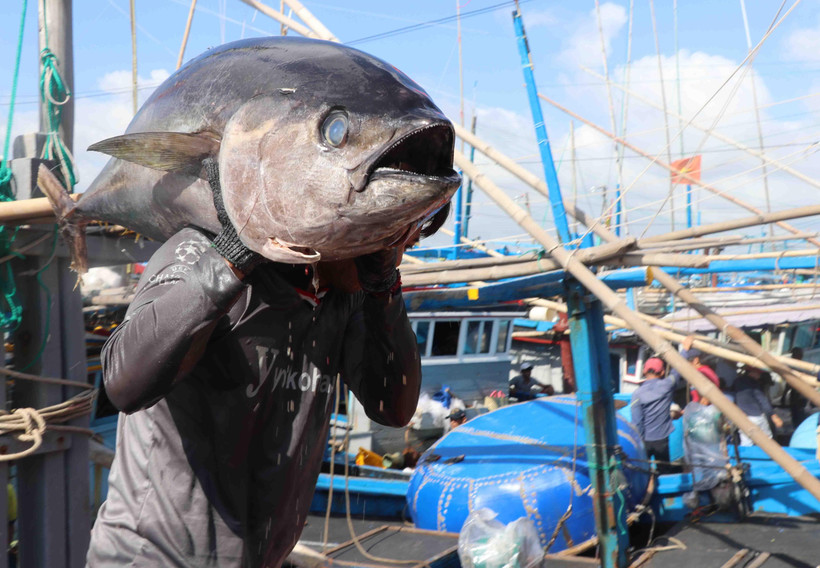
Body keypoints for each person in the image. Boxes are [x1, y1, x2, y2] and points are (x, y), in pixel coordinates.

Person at [86, 159, 439, 566]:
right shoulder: (200, 251)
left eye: (401, 242)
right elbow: (124, 382)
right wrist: (232, 256)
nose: (395, 251)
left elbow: (392, 407)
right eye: (383, 235)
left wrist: (384, 289)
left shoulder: (345, 294)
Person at [630, 357, 678, 474]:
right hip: (661, 439)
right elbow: (676, 371)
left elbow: (637, 422)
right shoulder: (667, 385)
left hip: (645, 440)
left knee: (643, 472)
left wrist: (639, 442)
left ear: (644, 372)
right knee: (664, 470)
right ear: (662, 373)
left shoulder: (637, 394)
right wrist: (684, 351)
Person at [733, 365, 783, 446]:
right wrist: (773, 415)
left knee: (746, 443)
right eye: (758, 373)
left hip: (742, 417)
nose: (759, 376)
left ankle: (746, 457)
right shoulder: (754, 384)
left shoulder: (737, 382)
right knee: (767, 440)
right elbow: (763, 401)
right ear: (753, 373)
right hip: (756, 417)